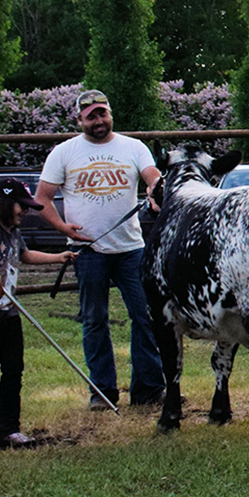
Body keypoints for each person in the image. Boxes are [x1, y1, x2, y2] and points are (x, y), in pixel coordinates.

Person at [34, 90, 165, 408]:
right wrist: (63, 228)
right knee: (94, 320)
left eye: (102, 114)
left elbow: (153, 177)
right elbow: (42, 199)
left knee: (145, 316)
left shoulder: (133, 147)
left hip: (131, 248)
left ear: (110, 114)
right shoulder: (64, 153)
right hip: (87, 250)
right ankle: (102, 392)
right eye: (91, 116)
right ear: (79, 119)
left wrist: (154, 190)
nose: (98, 121)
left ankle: (148, 389)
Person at [0, 179, 77, 447]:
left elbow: (26, 255)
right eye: (23, 206)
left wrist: (59, 257)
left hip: (7, 312)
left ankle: (8, 427)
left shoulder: (12, 232)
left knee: (13, 370)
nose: (27, 212)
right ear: (7, 204)